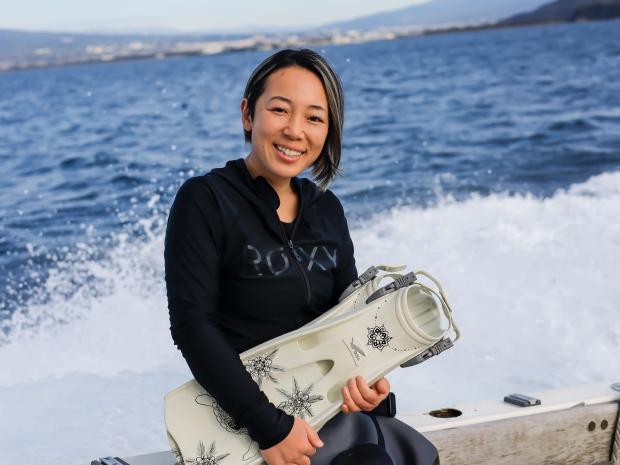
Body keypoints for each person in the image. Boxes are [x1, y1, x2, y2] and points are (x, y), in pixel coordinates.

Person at [165, 49, 439, 465]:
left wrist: (368, 384)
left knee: (422, 455)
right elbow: (192, 327)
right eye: (279, 110)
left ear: (328, 132)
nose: (295, 131)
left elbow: (349, 322)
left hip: (323, 413)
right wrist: (271, 429)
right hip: (247, 427)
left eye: (314, 118)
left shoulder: (327, 211)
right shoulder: (205, 201)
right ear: (247, 114)